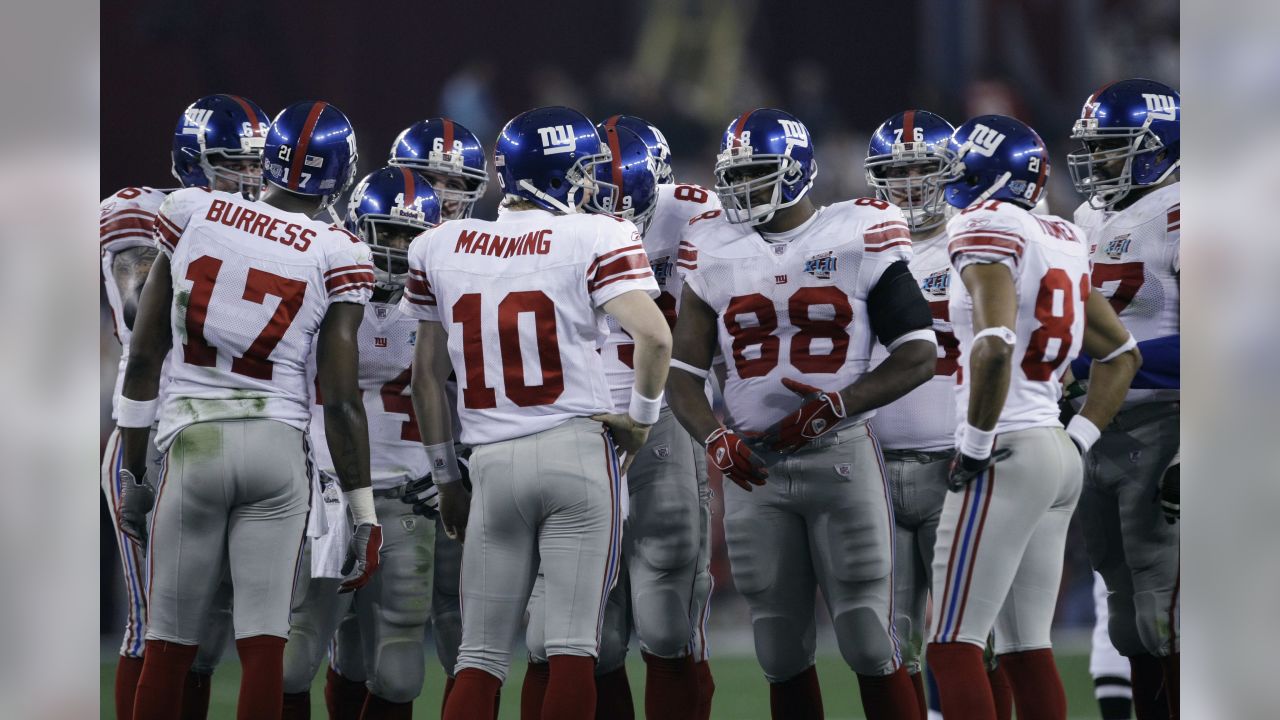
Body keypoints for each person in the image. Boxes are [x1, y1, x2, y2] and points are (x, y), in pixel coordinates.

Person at [400, 105, 673, 720]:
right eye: (580, 170)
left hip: (491, 460)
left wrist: (447, 478)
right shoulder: (596, 235)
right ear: (551, 175)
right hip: (577, 451)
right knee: (573, 648)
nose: (589, 182)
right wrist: (642, 418)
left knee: (480, 655)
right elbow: (655, 338)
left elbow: (425, 379)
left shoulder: (436, 245)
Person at [667, 108, 937, 719]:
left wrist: (836, 406)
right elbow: (681, 376)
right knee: (778, 643)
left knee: (871, 636)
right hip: (753, 464)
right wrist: (714, 439)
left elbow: (919, 352)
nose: (743, 189)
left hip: (839, 454)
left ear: (798, 171)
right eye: (735, 175)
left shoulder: (857, 230)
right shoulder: (711, 249)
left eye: (758, 174)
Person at [117, 100, 381, 720]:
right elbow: (341, 399)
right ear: (340, 176)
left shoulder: (191, 211)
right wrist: (363, 514)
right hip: (276, 447)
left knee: (168, 643)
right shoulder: (338, 249)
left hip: (195, 442)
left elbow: (145, 352)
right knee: (264, 644)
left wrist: (134, 472)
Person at [925, 114, 1141, 720]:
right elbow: (1122, 353)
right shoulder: (1061, 235)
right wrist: (1079, 438)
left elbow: (993, 341)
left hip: (1007, 447)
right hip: (1052, 445)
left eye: (957, 166)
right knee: (1027, 649)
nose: (948, 178)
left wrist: (973, 444)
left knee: (951, 643)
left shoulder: (984, 225)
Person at [523, 121, 719, 720]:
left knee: (666, 617)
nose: (613, 220)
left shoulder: (693, 214)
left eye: (626, 206)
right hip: (575, 420)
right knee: (576, 632)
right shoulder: (546, 220)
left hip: (658, 421)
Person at [100, 93, 268, 720]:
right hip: (153, 424)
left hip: (232, 429)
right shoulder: (144, 215)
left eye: (256, 163)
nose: (248, 178)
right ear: (193, 161)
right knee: (154, 624)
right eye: (232, 164)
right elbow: (147, 304)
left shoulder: (263, 223)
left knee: (210, 636)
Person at [281, 166, 444, 719]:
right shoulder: (320, 286)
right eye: (387, 233)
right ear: (356, 227)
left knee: (399, 672)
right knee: (294, 655)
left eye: (409, 237)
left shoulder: (440, 303)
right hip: (323, 495)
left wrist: (452, 467)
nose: (398, 250)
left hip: (406, 496)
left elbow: (472, 400)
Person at [1067, 77, 1182, 720]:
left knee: (1168, 612)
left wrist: (1091, 362)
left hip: (1169, 424)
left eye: (1113, 148)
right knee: (1127, 618)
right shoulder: (1089, 217)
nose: (1099, 162)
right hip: (1101, 428)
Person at [387, 118, 488, 713]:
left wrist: (455, 464)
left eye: (459, 181)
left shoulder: (489, 251)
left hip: (463, 453)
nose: (446, 194)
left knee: (463, 616)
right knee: (364, 635)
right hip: (376, 464)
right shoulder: (354, 243)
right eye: (434, 179)